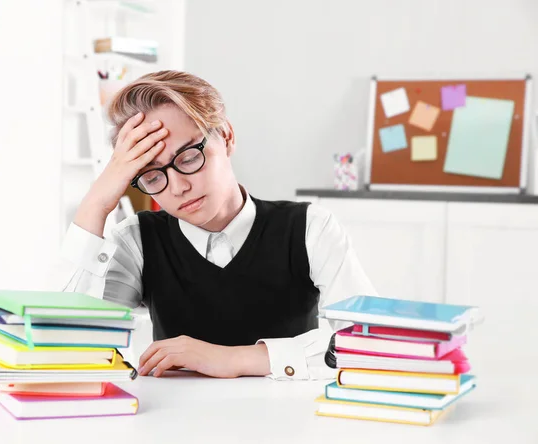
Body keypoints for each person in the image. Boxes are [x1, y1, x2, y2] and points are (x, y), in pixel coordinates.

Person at [60, 70, 377, 380]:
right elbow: (72, 348)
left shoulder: (310, 228)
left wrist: (234, 358)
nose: (178, 187)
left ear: (226, 137)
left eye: (187, 159)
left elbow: (369, 343)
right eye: (153, 176)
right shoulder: (136, 240)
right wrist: (96, 204)